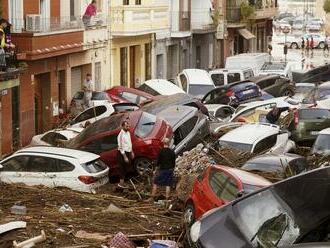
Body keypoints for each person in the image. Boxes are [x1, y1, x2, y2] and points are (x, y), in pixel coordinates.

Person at [117, 121, 134, 189]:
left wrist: (132, 152)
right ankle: (121, 184)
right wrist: (125, 157)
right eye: (127, 126)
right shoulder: (120, 135)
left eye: (128, 126)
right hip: (122, 154)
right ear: (123, 126)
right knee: (122, 169)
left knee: (128, 167)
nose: (128, 127)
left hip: (128, 152)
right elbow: (120, 147)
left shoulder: (128, 133)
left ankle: (126, 182)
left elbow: (130, 143)